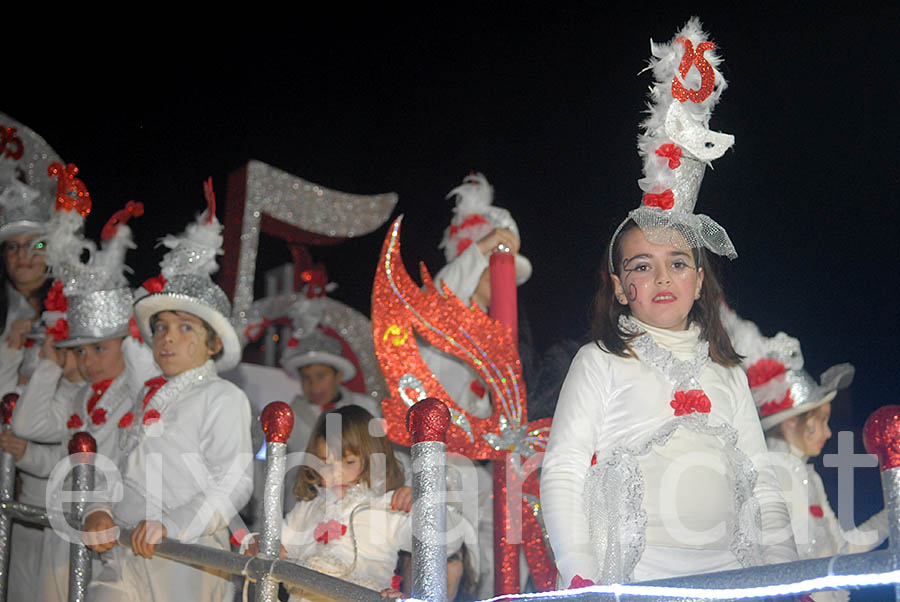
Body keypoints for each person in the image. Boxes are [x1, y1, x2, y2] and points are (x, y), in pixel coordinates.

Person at [540, 18, 797, 586]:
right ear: (619, 286)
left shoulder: (728, 372)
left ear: (700, 280)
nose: (662, 278)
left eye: (678, 263)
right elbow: (562, 470)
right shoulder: (601, 362)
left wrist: (784, 575)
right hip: (632, 582)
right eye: (642, 266)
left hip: (733, 579)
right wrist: (579, 573)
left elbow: (761, 477)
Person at [82, 188, 253, 601]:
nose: (167, 339)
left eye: (185, 328)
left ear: (214, 344)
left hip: (186, 555)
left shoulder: (222, 396)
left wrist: (170, 527)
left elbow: (234, 482)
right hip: (125, 549)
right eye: (160, 328)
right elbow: (119, 465)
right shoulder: (146, 395)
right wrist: (97, 509)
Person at [9, 201, 154, 602]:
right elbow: (28, 427)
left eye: (99, 349)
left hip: (111, 530)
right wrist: (51, 365)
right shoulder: (81, 395)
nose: (88, 362)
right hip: (67, 526)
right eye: (82, 351)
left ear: (125, 345)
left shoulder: (139, 393)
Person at [721, 307, 885, 602]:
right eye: (821, 421)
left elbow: (839, 550)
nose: (828, 432)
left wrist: (891, 516)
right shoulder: (768, 473)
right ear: (790, 423)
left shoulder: (809, 476)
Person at [245, 405, 473, 602]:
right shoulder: (307, 508)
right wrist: (253, 543)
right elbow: (273, 546)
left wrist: (424, 505)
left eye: (349, 462)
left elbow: (446, 542)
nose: (335, 475)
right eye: (325, 463)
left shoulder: (387, 508)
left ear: (372, 457)